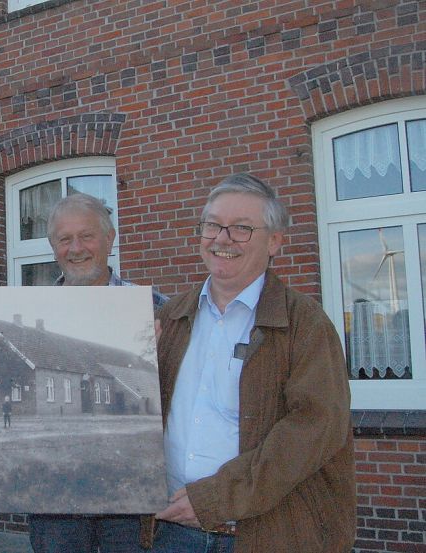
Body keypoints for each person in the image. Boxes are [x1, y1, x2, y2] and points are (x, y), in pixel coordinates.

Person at [151, 173, 355, 552]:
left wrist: (216, 497)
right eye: (212, 225)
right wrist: (139, 366)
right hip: (173, 534)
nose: (222, 238)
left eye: (241, 228)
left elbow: (314, 428)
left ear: (275, 241)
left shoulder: (305, 324)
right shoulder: (172, 317)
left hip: (266, 534)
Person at [26, 192, 168, 553]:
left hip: (129, 496)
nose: (76, 248)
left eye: (86, 236)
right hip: (54, 497)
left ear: (110, 238)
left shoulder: (155, 310)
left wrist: (160, 355)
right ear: (52, 246)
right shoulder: (32, 316)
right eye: (64, 239)